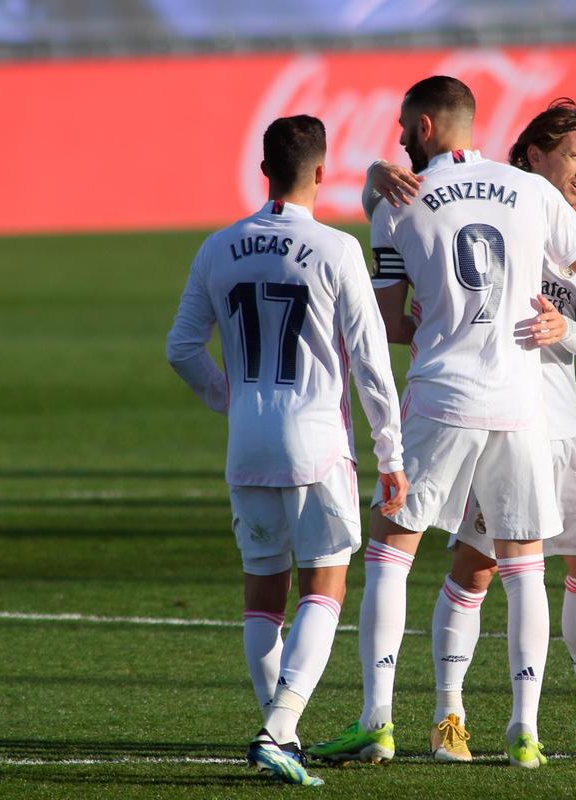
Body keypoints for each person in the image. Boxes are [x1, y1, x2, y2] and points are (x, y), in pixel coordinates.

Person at [308, 77, 576, 770]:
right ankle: (525, 733)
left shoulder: (400, 200)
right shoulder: (533, 193)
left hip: (441, 397)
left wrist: (422, 308)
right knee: (523, 568)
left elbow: (392, 320)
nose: (397, 139)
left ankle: (379, 721)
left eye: (402, 127)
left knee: (392, 553)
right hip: (521, 404)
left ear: (424, 128)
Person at [165, 114, 408, 787]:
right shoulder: (336, 249)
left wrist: (230, 398)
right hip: (315, 444)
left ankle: (286, 734)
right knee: (323, 589)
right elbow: (370, 361)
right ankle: (279, 727)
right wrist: (391, 454)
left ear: (263, 169)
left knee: (262, 599)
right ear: (322, 173)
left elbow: (181, 348)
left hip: (248, 440)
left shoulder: (218, 246)